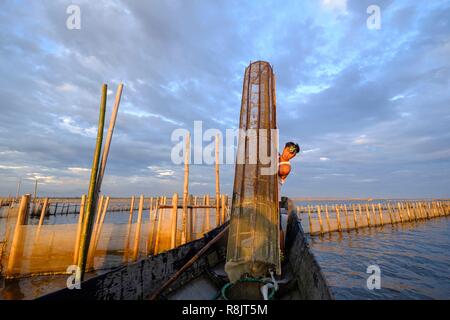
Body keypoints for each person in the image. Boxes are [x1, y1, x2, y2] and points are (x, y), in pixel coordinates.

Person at [278, 141, 300, 259]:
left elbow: (273, 171)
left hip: (274, 198)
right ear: (284, 148)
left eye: (292, 154)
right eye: (288, 151)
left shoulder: (286, 167)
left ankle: (281, 255)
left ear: (294, 156)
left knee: (277, 226)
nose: (288, 154)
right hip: (262, 195)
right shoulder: (274, 157)